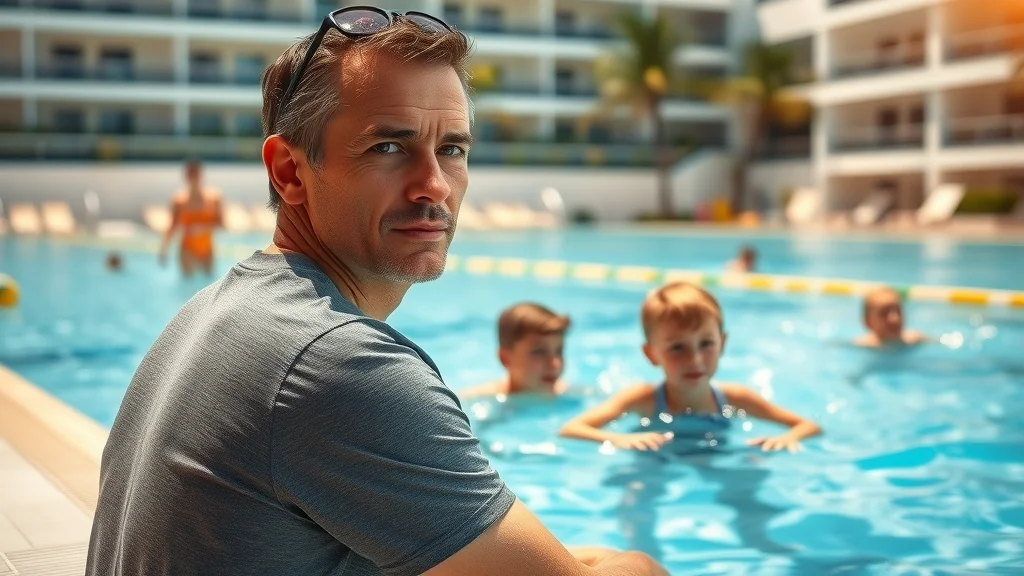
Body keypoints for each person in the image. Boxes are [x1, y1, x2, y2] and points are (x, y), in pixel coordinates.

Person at [86, 7, 666, 576]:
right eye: (388, 147)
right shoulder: (341, 367)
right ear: (289, 171)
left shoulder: (215, 313)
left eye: (452, 149)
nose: (434, 185)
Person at [560, 282, 821, 453]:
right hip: (656, 462)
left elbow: (808, 426)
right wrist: (618, 439)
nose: (694, 359)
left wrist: (788, 438)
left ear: (723, 343)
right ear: (651, 354)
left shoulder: (736, 399)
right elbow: (571, 429)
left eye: (706, 344)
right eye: (677, 348)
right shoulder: (643, 399)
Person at [460, 302, 571, 399]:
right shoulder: (481, 399)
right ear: (505, 359)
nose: (555, 364)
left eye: (558, 351)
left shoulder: (568, 394)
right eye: (539, 352)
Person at [157, 159, 223, 276]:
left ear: (201, 175)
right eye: (190, 173)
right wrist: (164, 249)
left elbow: (222, 224)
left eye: (195, 173)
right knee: (188, 288)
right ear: (185, 176)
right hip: (187, 250)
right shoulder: (179, 200)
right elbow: (172, 226)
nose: (193, 177)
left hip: (207, 250)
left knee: (209, 286)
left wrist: (203, 228)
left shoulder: (214, 198)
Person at [854, 286, 929, 348]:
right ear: (868, 322)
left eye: (898, 311)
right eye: (884, 313)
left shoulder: (915, 340)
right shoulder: (862, 346)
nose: (895, 318)